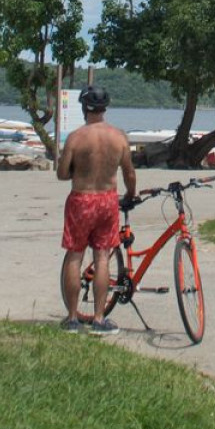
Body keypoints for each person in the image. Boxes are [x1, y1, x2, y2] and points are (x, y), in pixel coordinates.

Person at [55, 85, 136, 335]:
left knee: (75, 255)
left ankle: (72, 318)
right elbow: (129, 173)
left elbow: (61, 173)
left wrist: (77, 170)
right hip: (107, 200)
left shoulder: (76, 138)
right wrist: (130, 195)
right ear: (105, 108)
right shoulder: (119, 136)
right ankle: (99, 318)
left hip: (82, 199)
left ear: (84, 108)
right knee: (102, 257)